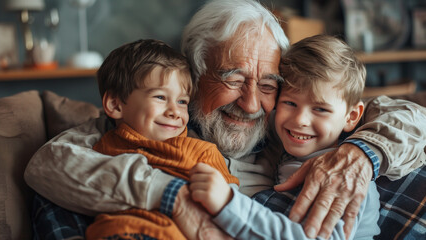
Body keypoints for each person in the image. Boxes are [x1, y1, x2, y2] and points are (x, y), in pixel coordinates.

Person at [24, 0, 426, 239]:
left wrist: (360, 153)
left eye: (269, 84)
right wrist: (171, 194)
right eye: (232, 78)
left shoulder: (290, 125)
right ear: (194, 77)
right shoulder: (154, 122)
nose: (251, 103)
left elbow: (411, 118)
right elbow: (47, 165)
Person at [189, 34, 381, 239]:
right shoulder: (284, 149)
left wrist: (229, 204)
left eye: (320, 109)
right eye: (290, 103)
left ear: (351, 117)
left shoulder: (348, 178)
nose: (300, 120)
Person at [82, 39, 238, 239]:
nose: (175, 112)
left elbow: (231, 208)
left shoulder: (201, 152)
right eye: (160, 97)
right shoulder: (98, 148)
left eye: (182, 101)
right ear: (115, 104)